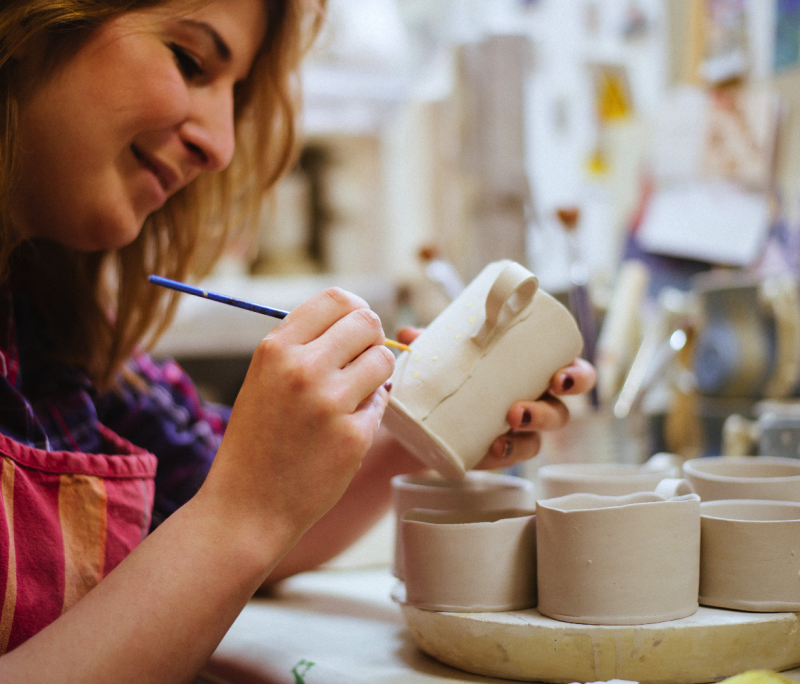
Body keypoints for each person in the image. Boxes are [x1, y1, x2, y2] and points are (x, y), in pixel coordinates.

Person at [0, 0, 595, 681]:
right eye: (191, 60)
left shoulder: (52, 329)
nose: (219, 144)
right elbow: (228, 520)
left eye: (235, 93)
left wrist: (417, 420)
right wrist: (242, 511)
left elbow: (218, 525)